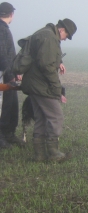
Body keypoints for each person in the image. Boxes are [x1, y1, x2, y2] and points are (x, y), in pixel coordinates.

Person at [21, 19, 77, 162]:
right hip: (41, 85)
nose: (65, 39)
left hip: (33, 83)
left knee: (41, 117)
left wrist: (59, 62)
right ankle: (53, 153)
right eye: (66, 36)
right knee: (56, 117)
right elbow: (46, 65)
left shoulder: (45, 33)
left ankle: (39, 155)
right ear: (62, 30)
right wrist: (57, 88)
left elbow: (44, 56)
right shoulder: (50, 38)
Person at [0, 2, 26, 149]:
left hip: (8, 73)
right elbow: (3, 55)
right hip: (4, 76)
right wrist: (11, 74)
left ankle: (9, 134)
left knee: (11, 105)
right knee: (5, 106)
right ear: (11, 14)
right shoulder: (2, 30)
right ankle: (2, 137)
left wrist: (15, 72)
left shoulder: (4, 29)